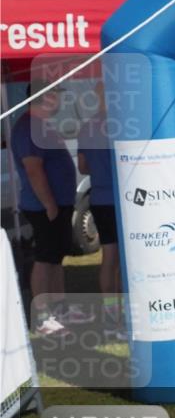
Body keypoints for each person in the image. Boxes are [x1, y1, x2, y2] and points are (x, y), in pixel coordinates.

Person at [10, 83, 80, 335]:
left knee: (56, 256)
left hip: (57, 204)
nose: (59, 101)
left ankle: (59, 308)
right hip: (44, 206)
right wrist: (49, 203)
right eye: (56, 95)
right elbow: (33, 169)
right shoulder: (29, 127)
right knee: (45, 257)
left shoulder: (42, 126)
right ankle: (42, 317)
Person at [77, 82, 123, 334]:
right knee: (124, 260)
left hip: (100, 199)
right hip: (123, 200)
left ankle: (111, 317)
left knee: (109, 258)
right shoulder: (123, 123)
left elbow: (82, 167)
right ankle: (121, 317)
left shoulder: (87, 127)